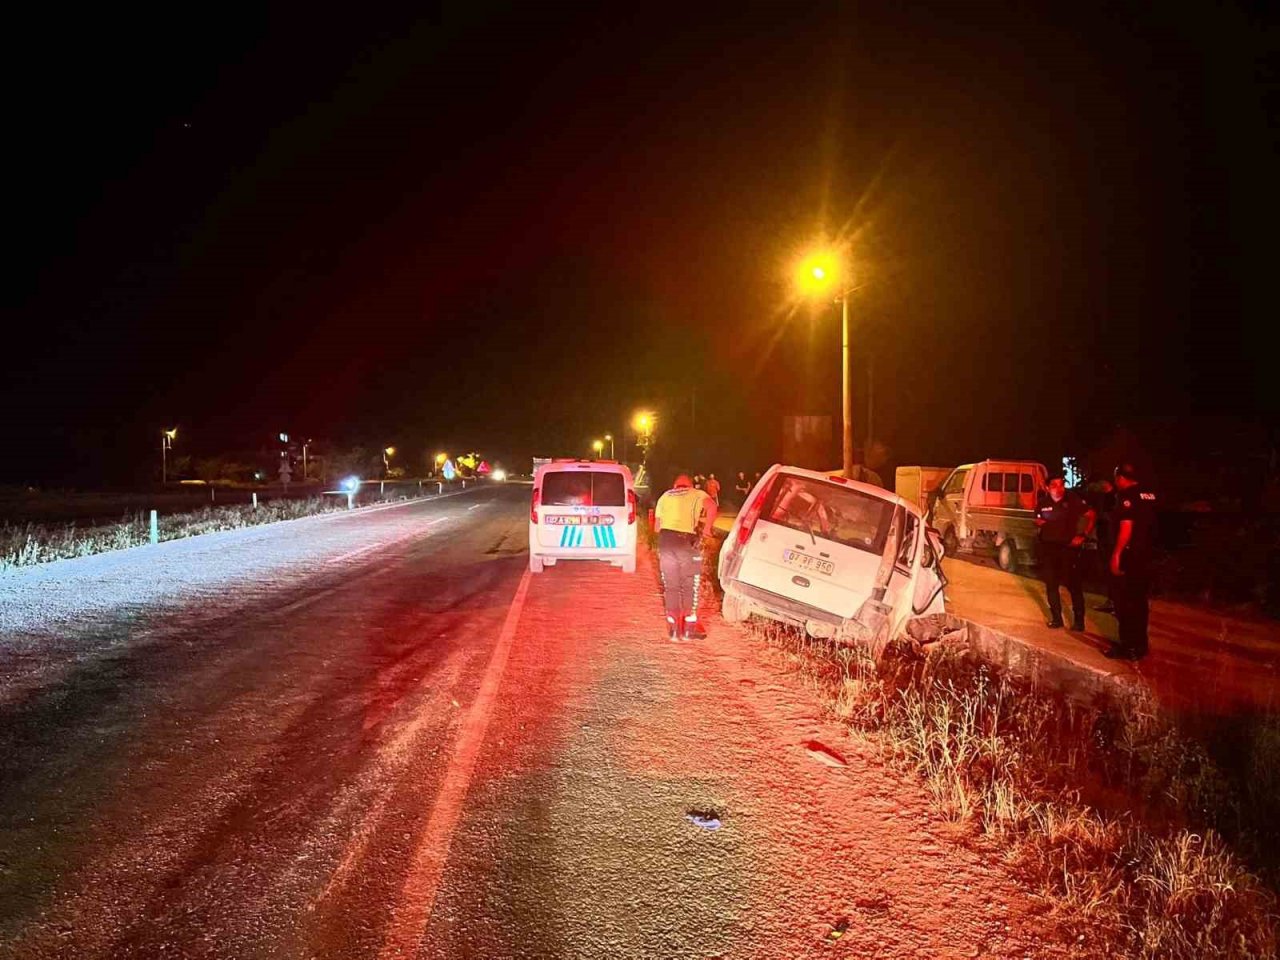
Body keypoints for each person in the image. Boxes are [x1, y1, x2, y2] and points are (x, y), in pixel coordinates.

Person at [653, 473, 717, 641]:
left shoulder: (665, 496)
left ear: (675, 486)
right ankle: (689, 630)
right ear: (690, 485)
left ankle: (674, 630)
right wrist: (707, 530)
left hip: (666, 543)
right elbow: (712, 507)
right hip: (685, 542)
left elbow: (657, 527)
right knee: (689, 586)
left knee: (671, 587)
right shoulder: (696, 493)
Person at [1107, 463, 1156, 660]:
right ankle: (1141, 645)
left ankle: (1128, 647)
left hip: (1131, 556)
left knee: (1125, 603)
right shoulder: (1150, 494)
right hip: (1148, 555)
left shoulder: (1126, 496)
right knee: (1140, 602)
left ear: (1120, 478)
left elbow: (1127, 527)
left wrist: (1117, 554)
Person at [1034, 475, 1095, 630]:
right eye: (1054, 485)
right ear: (1047, 488)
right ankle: (1056, 619)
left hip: (1068, 549)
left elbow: (1091, 515)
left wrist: (1083, 535)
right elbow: (1038, 520)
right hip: (1049, 549)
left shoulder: (1072, 500)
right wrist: (1040, 523)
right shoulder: (1042, 503)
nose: (1058, 488)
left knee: (1074, 586)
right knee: (1051, 585)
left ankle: (1079, 622)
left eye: (1061, 484)